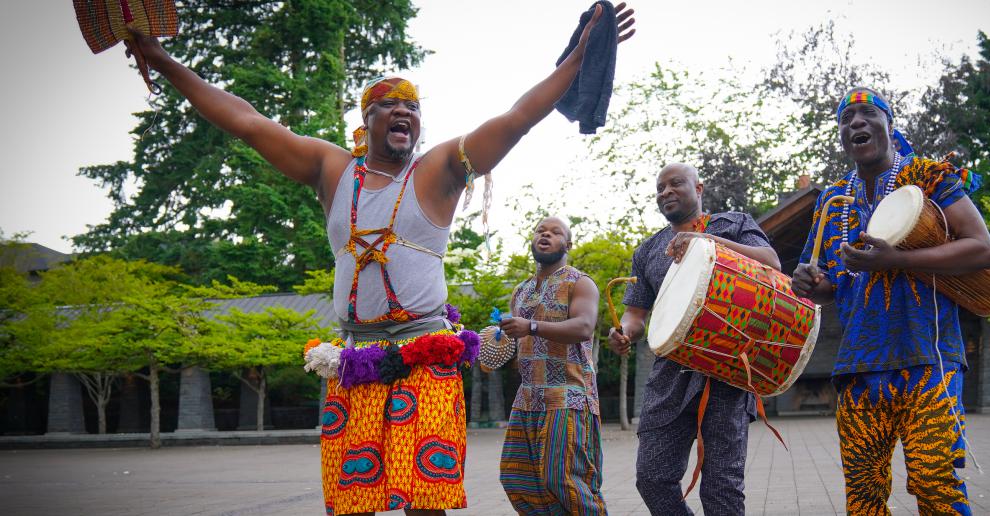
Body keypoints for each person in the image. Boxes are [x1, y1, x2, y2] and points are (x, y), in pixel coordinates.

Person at [121, 5, 635, 515]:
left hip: (427, 356)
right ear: (366, 121)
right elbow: (248, 123)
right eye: (389, 104)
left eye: (413, 107)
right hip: (354, 360)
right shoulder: (331, 169)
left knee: (423, 503)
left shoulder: (438, 170)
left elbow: (518, 117)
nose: (404, 112)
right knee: (350, 503)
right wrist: (162, 59)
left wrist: (580, 56)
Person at [791, 87, 990, 515]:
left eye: (867, 114)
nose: (856, 123)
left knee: (935, 484)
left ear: (890, 123)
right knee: (863, 499)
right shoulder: (831, 201)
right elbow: (832, 284)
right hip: (859, 369)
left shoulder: (927, 175)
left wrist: (896, 259)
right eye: (846, 119)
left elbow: (982, 249)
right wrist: (810, 283)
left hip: (929, 361)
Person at [607, 163, 780, 515]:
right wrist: (625, 332)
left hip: (727, 370)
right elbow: (636, 313)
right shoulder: (648, 251)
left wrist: (705, 241)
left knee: (722, 488)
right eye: (660, 188)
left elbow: (771, 263)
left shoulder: (734, 224)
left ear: (698, 189)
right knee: (652, 477)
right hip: (671, 375)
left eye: (675, 184)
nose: (666, 192)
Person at [495, 216, 605, 514]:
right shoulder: (521, 290)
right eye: (541, 231)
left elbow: (583, 327)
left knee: (564, 480)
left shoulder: (579, 282)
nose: (546, 235)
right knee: (517, 479)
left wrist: (530, 325)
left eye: (555, 233)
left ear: (567, 245)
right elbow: (519, 339)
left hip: (568, 394)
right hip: (528, 398)